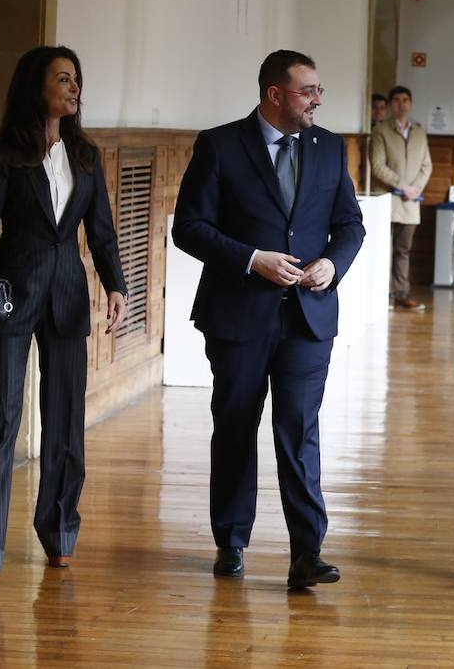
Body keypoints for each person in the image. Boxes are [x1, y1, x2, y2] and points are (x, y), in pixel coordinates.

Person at [173, 49, 365, 589]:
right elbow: (188, 227)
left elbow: (350, 224)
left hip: (309, 318)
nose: (318, 101)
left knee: (300, 431)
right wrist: (251, 259)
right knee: (235, 427)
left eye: (319, 91)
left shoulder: (330, 147)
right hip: (238, 315)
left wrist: (333, 263)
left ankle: (308, 552)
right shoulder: (220, 145)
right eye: (309, 92)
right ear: (274, 94)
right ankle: (231, 541)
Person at [0, 45, 128, 594]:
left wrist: (116, 284)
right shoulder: (4, 154)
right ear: (38, 87)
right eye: (63, 79)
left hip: (68, 297)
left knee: (65, 422)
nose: (74, 89)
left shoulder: (86, 157)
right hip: (7, 294)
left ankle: (59, 534)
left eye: (77, 79)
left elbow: (100, 231)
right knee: (1, 421)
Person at [369, 85, 432, 311]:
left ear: (410, 104)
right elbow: (377, 166)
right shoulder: (380, 131)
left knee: (403, 251)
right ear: (390, 104)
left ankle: (401, 294)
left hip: (410, 203)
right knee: (383, 248)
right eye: (396, 100)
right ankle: (381, 295)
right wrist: (401, 185)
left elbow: (427, 166)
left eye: (405, 100)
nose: (401, 104)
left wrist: (414, 188)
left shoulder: (419, 132)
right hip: (387, 200)